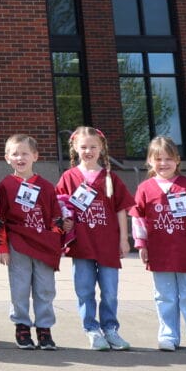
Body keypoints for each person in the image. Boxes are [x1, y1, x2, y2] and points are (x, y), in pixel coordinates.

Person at [132, 135, 186, 354]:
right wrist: (141, 245)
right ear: (150, 161)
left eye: (168, 159)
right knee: (164, 296)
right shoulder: (145, 189)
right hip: (160, 253)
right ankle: (168, 336)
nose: (163, 164)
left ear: (177, 160)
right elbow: (138, 219)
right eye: (158, 159)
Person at [57, 125, 132, 350]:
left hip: (107, 243)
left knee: (109, 290)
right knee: (85, 289)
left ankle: (110, 328)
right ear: (74, 149)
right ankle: (91, 329)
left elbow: (121, 209)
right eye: (83, 147)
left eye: (93, 147)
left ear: (101, 149)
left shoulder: (110, 177)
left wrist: (123, 239)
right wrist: (65, 221)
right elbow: (60, 204)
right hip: (82, 243)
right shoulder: (69, 177)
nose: (88, 151)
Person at [0, 134, 64, 350]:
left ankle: (44, 328)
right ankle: (22, 325)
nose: (20, 157)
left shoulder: (46, 186)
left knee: (45, 288)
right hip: (18, 245)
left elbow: (56, 217)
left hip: (43, 245)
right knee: (20, 287)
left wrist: (55, 242)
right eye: (15, 154)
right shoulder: (5, 186)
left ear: (35, 156)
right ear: (7, 158)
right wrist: (2, 247)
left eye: (25, 153)